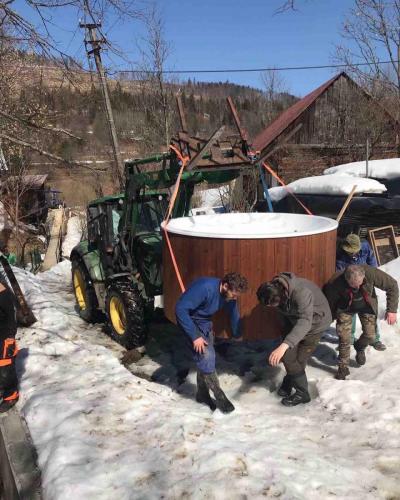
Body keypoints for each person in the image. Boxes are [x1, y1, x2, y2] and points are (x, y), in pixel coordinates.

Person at [175, 272, 248, 413]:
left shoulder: (229, 294)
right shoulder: (205, 288)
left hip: (204, 324)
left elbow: (233, 311)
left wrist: (237, 332)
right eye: (234, 294)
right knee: (207, 357)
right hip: (189, 322)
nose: (235, 298)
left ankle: (202, 394)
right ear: (225, 286)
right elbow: (180, 309)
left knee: (206, 360)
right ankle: (219, 395)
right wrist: (194, 336)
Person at [257, 272, 332, 407]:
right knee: (289, 357)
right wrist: (286, 338)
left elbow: (305, 321)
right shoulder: (278, 292)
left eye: (273, 305)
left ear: (281, 295)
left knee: (298, 358)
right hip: (297, 322)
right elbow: (284, 315)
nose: (272, 308)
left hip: (316, 324)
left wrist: (285, 344)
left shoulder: (301, 293)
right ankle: (291, 380)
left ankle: (302, 393)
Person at [324, 264, 398, 380]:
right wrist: (331, 317)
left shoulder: (371, 273)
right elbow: (330, 302)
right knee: (344, 338)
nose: (357, 287)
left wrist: (392, 310)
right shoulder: (335, 282)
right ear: (346, 279)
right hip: (345, 308)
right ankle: (343, 368)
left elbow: (392, 285)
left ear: (364, 277)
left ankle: (359, 347)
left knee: (370, 335)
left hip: (366, 305)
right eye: (353, 285)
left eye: (360, 283)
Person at [336, 233, 384, 351]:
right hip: (349, 285)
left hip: (365, 283)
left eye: (354, 251)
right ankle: (350, 338)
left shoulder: (365, 246)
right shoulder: (340, 254)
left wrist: (372, 278)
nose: (352, 253)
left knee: (370, 312)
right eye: (350, 251)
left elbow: (372, 263)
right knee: (349, 311)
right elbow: (338, 272)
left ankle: (374, 339)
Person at [0, 277, 19, 412]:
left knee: (5, 365)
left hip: (5, 333)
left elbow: (11, 316)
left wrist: (10, 338)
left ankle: (11, 395)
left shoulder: (2, 291)